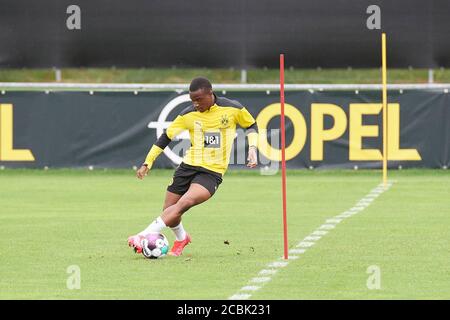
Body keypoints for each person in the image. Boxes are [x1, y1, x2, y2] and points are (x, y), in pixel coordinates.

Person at [128, 77, 258, 256]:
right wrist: (147, 162)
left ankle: (142, 235)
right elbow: (166, 137)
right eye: (192, 100)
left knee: (184, 203)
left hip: (212, 172)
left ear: (210, 94)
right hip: (187, 167)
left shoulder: (232, 108)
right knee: (169, 211)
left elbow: (251, 124)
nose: (196, 104)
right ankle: (182, 238)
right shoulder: (187, 115)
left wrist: (252, 148)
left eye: (199, 100)